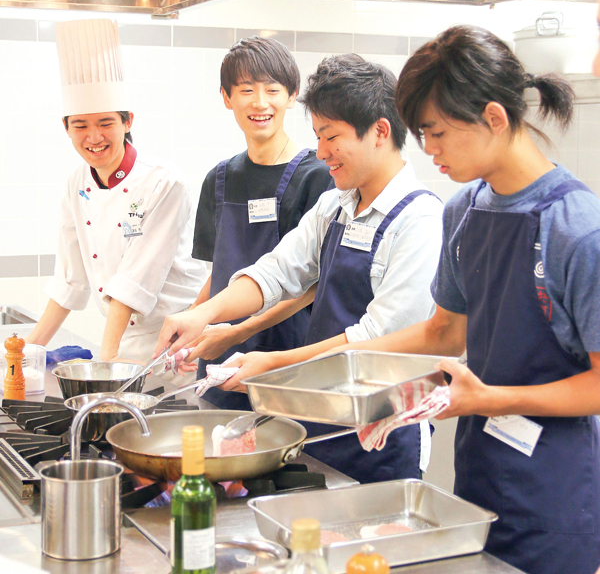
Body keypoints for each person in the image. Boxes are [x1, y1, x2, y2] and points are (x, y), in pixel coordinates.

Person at [318, 26, 600, 574]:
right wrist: (374, 389)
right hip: (478, 474)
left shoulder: (578, 231)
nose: (429, 150)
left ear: (495, 117)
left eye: (438, 132)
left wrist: (487, 399)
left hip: (554, 489)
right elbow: (444, 332)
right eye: (422, 132)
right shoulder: (464, 210)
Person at [156, 54, 444, 484]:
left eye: (330, 138)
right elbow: (276, 272)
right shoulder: (336, 206)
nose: (321, 153)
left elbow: (372, 342)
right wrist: (202, 314)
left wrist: (273, 364)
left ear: (380, 132)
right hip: (319, 418)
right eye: (317, 137)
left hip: (382, 434)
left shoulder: (419, 221)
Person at [26, 19, 206, 363]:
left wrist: (106, 367)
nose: (94, 137)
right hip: (119, 339)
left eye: (105, 123)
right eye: (80, 125)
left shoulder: (166, 183)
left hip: (174, 341)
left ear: (128, 122)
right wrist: (25, 355)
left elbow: (133, 282)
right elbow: (70, 280)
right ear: (66, 128)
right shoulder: (75, 184)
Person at [190, 36, 333, 410]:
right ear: (226, 97)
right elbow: (220, 273)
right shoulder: (218, 179)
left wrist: (238, 330)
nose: (260, 102)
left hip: (283, 360)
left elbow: (313, 285)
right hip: (218, 362)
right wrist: (189, 324)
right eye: (246, 90)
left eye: (272, 89)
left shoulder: (317, 178)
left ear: (292, 95)